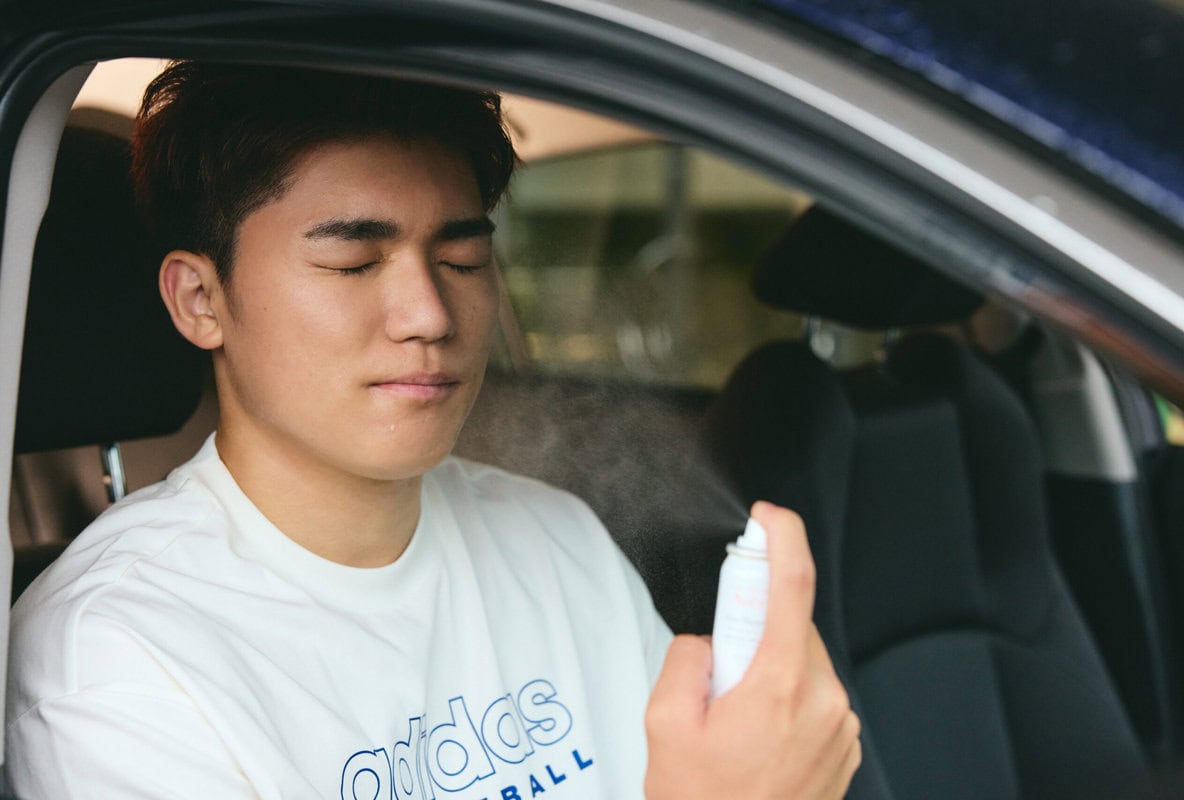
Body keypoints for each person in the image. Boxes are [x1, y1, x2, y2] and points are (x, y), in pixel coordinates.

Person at [4, 61, 860, 799]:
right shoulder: (112, 657)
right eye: (353, 262)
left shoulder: (556, 538)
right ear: (202, 300)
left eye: (462, 260)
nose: (428, 313)